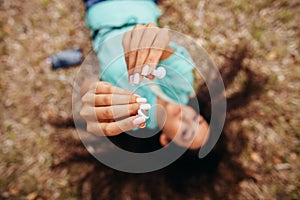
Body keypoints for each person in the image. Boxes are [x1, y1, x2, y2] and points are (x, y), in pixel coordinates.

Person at [80, 0, 210, 150]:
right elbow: (167, 51)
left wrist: (92, 96)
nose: (186, 118)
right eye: (197, 119)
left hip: (101, 8)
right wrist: (155, 44)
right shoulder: (183, 86)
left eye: (185, 132)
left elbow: (89, 86)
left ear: (166, 141)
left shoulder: (131, 118)